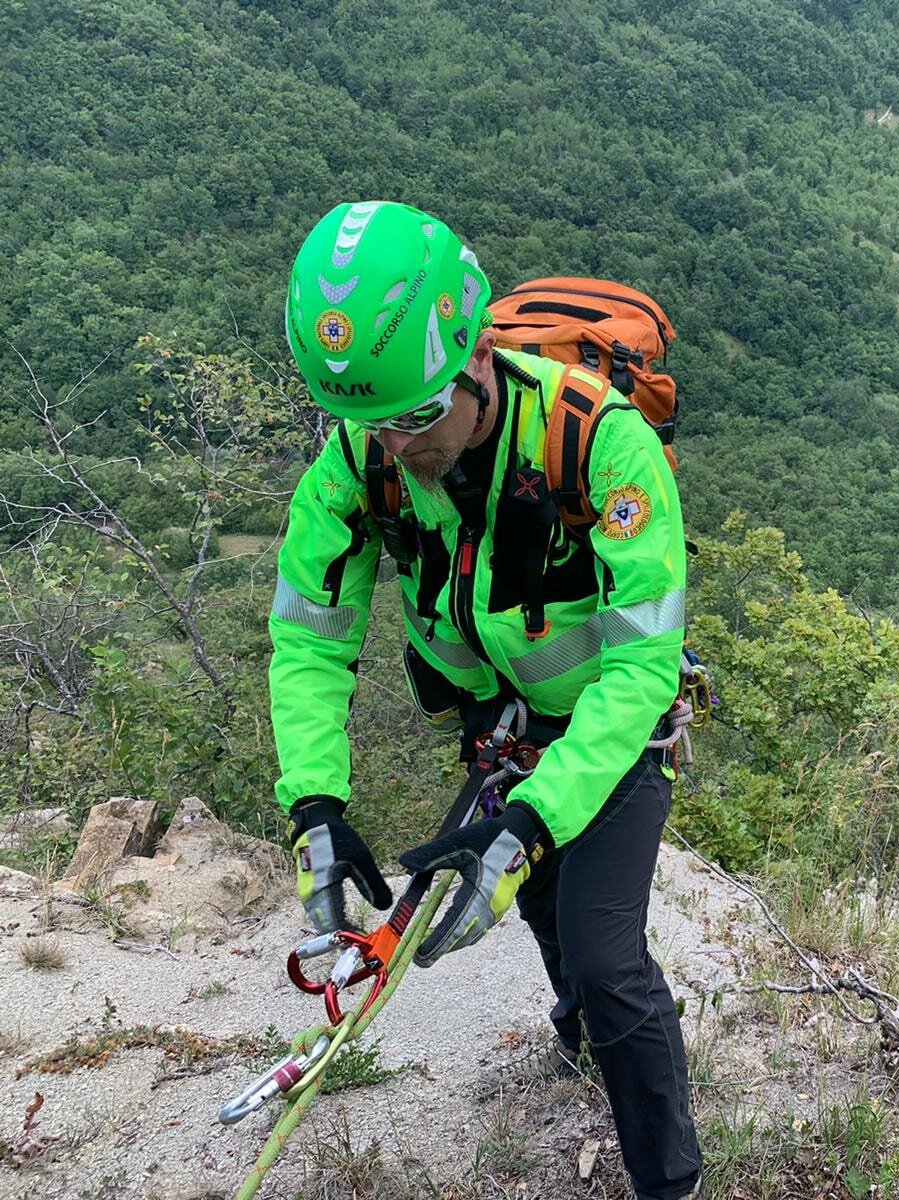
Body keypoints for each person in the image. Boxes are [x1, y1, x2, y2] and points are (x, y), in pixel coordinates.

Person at [270, 200, 701, 1200]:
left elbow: (641, 666)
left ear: (473, 356)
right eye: (371, 421)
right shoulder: (357, 458)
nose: (398, 447)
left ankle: (668, 1180)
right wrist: (316, 808)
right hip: (495, 719)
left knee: (603, 954)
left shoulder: (601, 444)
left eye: (417, 415)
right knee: (542, 906)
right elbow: (308, 640)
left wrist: (535, 820)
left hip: (613, 716)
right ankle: (574, 1042)